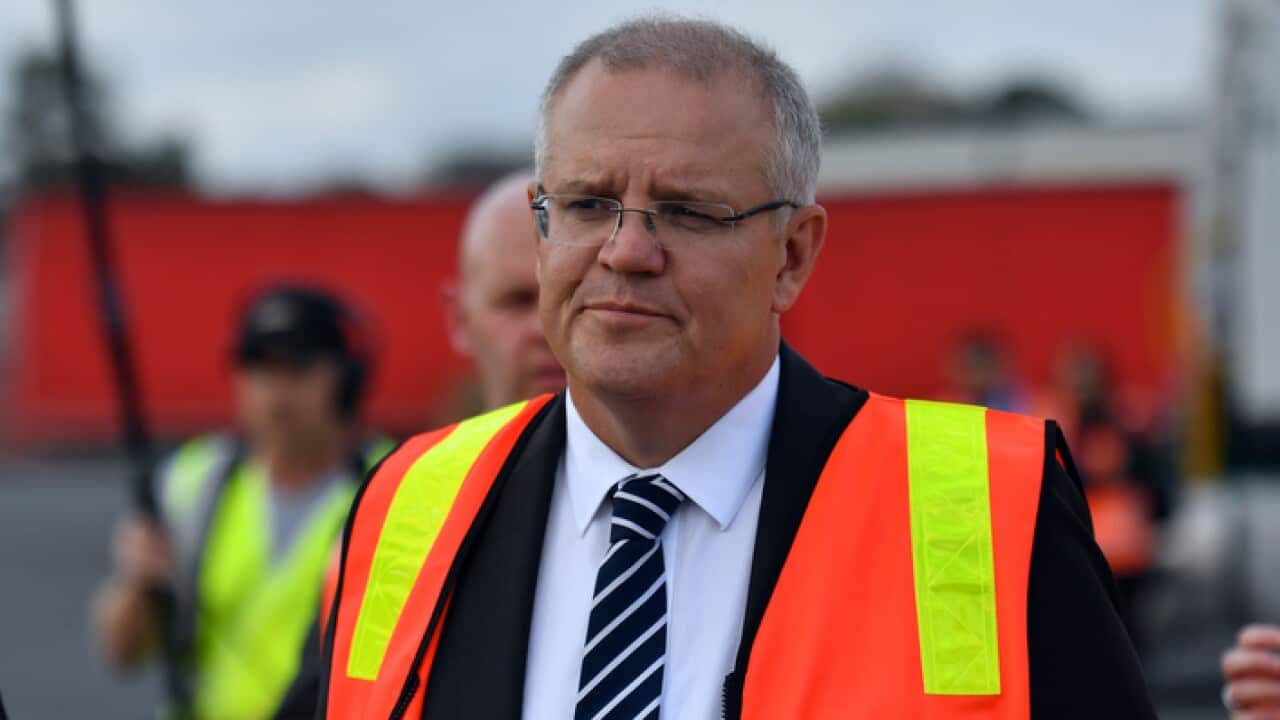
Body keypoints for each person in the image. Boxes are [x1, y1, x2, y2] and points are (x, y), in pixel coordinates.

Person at [317, 17, 1155, 719]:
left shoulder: (985, 508)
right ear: (542, 231)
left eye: (687, 211)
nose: (628, 251)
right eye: (586, 204)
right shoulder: (407, 504)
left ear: (793, 255)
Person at [93, 286, 392, 719]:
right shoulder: (194, 481)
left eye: (298, 367)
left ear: (347, 380)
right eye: (259, 368)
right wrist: (137, 585)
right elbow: (123, 651)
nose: (276, 390)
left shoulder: (395, 485)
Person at [442, 169, 567, 411]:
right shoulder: (427, 451)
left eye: (568, 297)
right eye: (518, 301)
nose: (545, 329)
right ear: (458, 318)